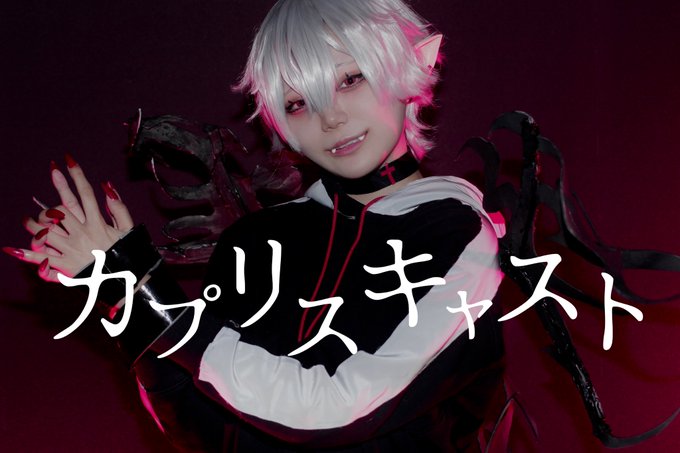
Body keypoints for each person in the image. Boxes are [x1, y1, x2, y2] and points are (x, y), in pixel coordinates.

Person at [6, 0, 507, 451]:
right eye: (297, 103)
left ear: (414, 65)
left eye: (350, 79)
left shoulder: (460, 234)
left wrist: (150, 297)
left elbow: (337, 408)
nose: (329, 118)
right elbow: (202, 431)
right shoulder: (255, 241)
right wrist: (118, 288)